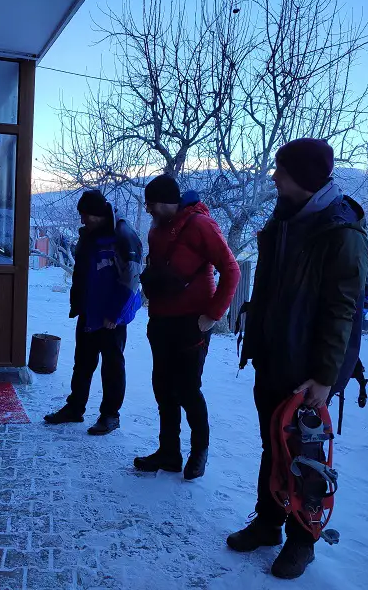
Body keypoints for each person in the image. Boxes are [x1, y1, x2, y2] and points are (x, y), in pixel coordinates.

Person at [229, 138, 368, 579]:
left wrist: (325, 377)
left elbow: (340, 312)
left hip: (310, 375)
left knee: (306, 459)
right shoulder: (285, 219)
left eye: (282, 172)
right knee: (273, 449)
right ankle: (269, 523)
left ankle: (302, 541)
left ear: (305, 179)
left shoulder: (341, 235)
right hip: (273, 360)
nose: (274, 178)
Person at [134, 175, 239, 480]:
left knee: (188, 390)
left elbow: (231, 270)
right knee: (163, 389)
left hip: (192, 323)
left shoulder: (200, 225)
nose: (148, 209)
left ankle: (199, 453)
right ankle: (169, 453)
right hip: (161, 321)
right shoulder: (158, 227)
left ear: (167, 201)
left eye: (152, 204)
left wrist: (213, 315)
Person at [44, 190, 143, 435]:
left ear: (98, 214)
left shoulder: (122, 235)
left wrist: (115, 313)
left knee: (112, 367)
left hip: (112, 317)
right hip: (89, 312)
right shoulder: (90, 235)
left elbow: (131, 278)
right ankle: (75, 408)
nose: (82, 220)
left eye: (86, 215)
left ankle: (110, 415)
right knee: (83, 363)